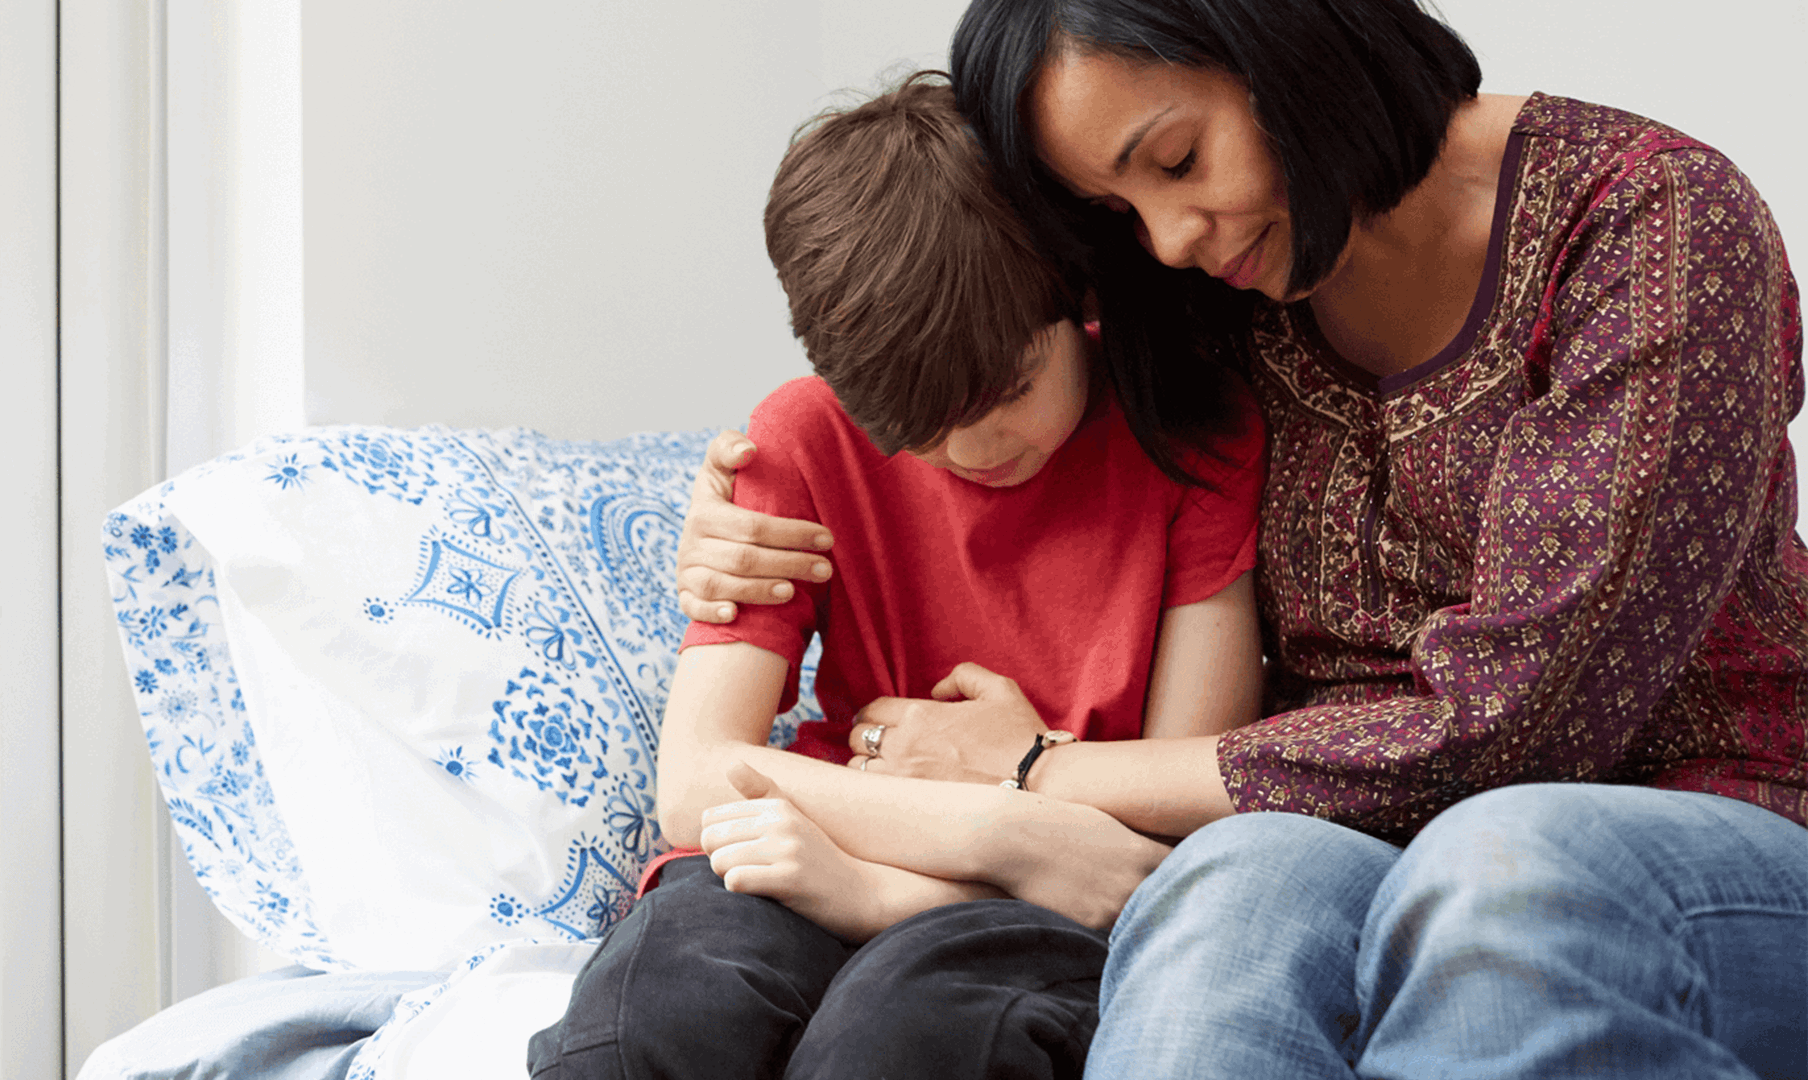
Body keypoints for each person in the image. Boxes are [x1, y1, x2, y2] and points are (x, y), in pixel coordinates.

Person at [672, 2, 1808, 1077]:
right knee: (1217, 908)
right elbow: (947, 317)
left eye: (1175, 162)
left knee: (1500, 868)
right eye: (1117, 211)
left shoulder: (1650, 223)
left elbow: (1517, 731)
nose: (1166, 238)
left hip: (1694, 820)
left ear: (1285, 40)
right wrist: (747, 507)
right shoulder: (1213, 286)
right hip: (1322, 831)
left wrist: (1036, 773)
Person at [527, 73, 1266, 1080]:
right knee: (652, 1017)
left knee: (908, 1039)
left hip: (1027, 913)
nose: (970, 446)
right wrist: (1002, 830)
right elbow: (697, 781)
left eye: (1006, 390)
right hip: (827, 848)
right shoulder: (801, 436)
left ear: (1071, 291)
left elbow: (1166, 840)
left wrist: (891, 891)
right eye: (914, 428)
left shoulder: (1196, 438)